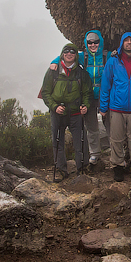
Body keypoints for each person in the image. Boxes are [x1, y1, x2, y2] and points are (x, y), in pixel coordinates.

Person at [48, 30, 108, 172]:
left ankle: (118, 154)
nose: (93, 44)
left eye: (95, 42)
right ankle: (94, 154)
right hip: (88, 96)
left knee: (111, 127)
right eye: (89, 42)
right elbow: (67, 56)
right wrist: (54, 62)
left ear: (100, 42)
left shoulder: (107, 56)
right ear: (86, 44)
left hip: (105, 96)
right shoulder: (83, 56)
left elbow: (121, 59)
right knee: (91, 127)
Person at [99, 32, 131, 182]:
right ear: (122, 43)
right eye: (126, 40)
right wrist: (103, 107)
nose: (129, 43)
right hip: (116, 108)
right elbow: (105, 85)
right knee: (116, 139)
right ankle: (117, 167)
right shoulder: (113, 62)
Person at [41, 43, 91, 182]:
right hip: (58, 113)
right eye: (66, 51)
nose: (69, 54)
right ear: (62, 54)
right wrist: (54, 106)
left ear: (76, 55)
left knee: (80, 142)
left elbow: (87, 93)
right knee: (58, 142)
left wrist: (85, 105)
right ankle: (61, 169)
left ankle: (82, 168)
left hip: (76, 114)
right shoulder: (53, 71)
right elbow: (45, 92)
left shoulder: (82, 73)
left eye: (72, 52)